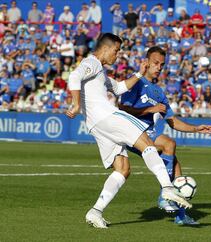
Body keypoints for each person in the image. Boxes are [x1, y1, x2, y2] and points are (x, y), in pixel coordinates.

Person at [66, 33, 191, 229]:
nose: (117, 55)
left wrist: (140, 74)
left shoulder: (100, 72)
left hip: (96, 125)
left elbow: (118, 88)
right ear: (106, 48)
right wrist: (75, 103)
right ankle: (167, 188)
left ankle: (96, 211)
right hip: (107, 116)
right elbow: (74, 76)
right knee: (147, 143)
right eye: (116, 51)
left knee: (123, 169)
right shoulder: (93, 63)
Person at [119, 46, 211, 225]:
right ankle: (165, 195)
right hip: (131, 132)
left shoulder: (158, 92)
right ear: (146, 62)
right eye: (156, 63)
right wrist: (150, 109)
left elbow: (173, 121)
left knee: (176, 166)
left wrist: (196, 128)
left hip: (148, 133)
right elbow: (122, 109)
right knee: (169, 144)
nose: (159, 67)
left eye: (162, 65)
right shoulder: (135, 82)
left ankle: (180, 215)